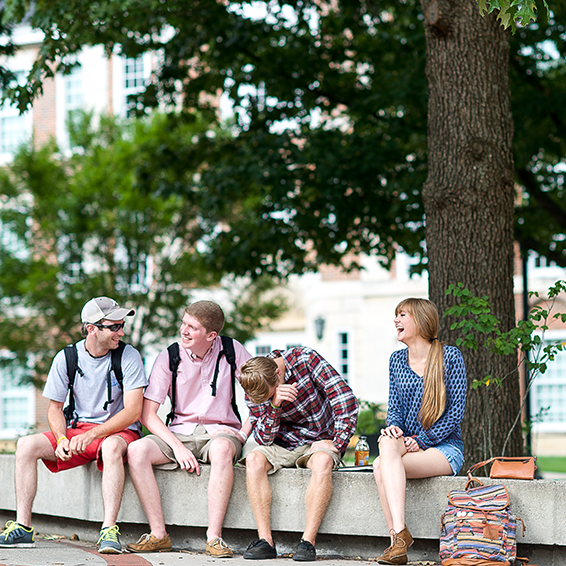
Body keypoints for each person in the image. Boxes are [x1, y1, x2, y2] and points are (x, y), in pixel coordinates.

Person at [0, 297, 147, 554]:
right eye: (114, 327)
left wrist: (93, 435)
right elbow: (55, 409)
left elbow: (133, 412)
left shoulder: (128, 355)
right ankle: (23, 527)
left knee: (112, 447)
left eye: (122, 325)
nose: (121, 332)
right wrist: (62, 439)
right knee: (26, 445)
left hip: (117, 431)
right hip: (80, 431)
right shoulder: (67, 357)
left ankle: (109, 531)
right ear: (92, 328)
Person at [125, 300, 252, 557]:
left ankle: (214, 538)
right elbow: (147, 415)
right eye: (183, 323)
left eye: (192, 327)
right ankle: (158, 534)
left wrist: (241, 434)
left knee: (222, 451)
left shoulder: (232, 350)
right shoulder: (169, 356)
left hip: (221, 431)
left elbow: (261, 397)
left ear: (211, 335)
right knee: (137, 450)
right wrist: (178, 446)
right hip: (180, 431)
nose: (183, 330)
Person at [238, 347, 358, 562]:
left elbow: (344, 399)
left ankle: (307, 542)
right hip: (282, 444)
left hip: (319, 439)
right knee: (254, 459)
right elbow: (263, 439)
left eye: (272, 391)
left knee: (322, 461)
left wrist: (338, 443)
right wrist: (274, 405)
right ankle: (265, 541)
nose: (271, 396)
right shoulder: (254, 384)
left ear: (278, 374)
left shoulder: (305, 359)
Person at [372, 298, 467, 565]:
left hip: (444, 447)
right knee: (387, 443)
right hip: (408, 441)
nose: (396, 320)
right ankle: (400, 536)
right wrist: (392, 427)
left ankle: (396, 542)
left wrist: (422, 440)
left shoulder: (450, 356)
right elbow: (394, 408)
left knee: (380, 466)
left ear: (421, 320)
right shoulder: (396, 360)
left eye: (402, 314)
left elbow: (455, 414)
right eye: (395, 315)